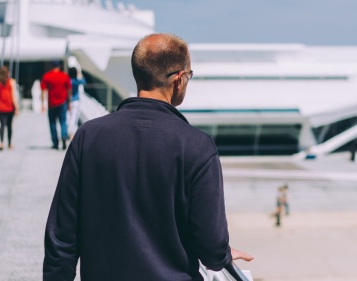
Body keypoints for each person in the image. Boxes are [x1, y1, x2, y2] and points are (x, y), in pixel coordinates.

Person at [43, 33, 253, 281]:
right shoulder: (197, 146)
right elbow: (210, 246)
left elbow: (61, 236)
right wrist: (222, 255)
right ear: (179, 80)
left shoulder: (88, 136)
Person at [41, 61, 71, 150]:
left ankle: (55, 143)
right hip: (62, 103)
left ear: (51, 66)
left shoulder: (47, 76)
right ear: (60, 66)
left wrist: (42, 103)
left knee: (52, 123)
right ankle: (64, 136)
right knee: (63, 121)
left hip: (52, 104)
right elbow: (69, 90)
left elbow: (43, 91)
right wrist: (68, 103)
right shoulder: (65, 76)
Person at [0, 66, 19, 150]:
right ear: (8, 73)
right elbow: (13, 96)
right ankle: (10, 143)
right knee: (9, 125)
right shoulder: (11, 82)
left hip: (1, 106)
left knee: (2, 125)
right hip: (9, 106)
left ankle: (1, 143)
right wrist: (17, 108)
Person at [67, 67, 86, 139]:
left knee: (69, 118)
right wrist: (79, 73)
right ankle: (71, 134)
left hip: (68, 101)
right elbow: (84, 81)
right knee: (74, 119)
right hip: (75, 101)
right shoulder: (76, 81)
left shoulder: (68, 81)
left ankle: (70, 133)